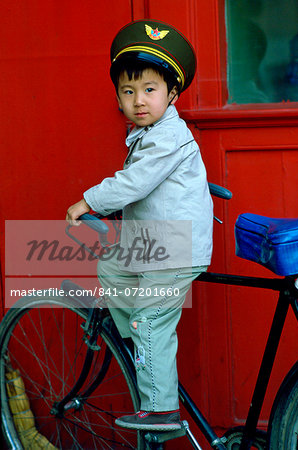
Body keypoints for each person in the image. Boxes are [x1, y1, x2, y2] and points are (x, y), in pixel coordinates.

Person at [66, 19, 213, 431]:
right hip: (155, 245)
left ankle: (161, 408)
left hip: (174, 250)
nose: (138, 100)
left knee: (150, 321)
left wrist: (88, 201)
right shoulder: (151, 134)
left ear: (173, 94)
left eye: (150, 90)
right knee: (111, 267)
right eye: (128, 92)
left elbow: (135, 182)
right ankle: (143, 347)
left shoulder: (167, 136)